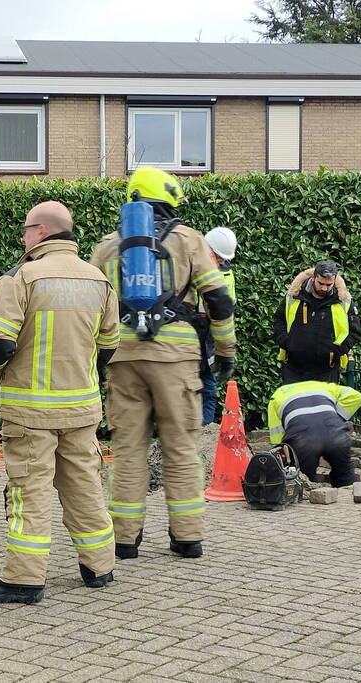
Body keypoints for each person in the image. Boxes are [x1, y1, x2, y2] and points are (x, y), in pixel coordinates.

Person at [0, 201, 120, 605]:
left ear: (40, 231)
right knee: (85, 486)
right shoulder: (98, 280)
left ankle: (23, 580)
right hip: (81, 409)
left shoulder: (23, 277)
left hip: (30, 412)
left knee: (30, 492)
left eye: (26, 230)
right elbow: (109, 346)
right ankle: (100, 567)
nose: (23, 237)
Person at [90, 167, 236, 561]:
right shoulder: (188, 239)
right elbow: (219, 299)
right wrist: (225, 352)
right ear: (169, 197)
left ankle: (124, 540)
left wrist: (98, 356)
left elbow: (93, 305)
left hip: (124, 356)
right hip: (176, 358)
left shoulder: (108, 245)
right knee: (181, 447)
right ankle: (187, 538)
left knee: (128, 449)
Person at [273, 259, 361, 384]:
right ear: (314, 277)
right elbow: (279, 320)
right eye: (321, 283)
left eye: (329, 285)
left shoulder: (343, 301)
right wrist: (286, 342)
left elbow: (355, 331)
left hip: (327, 370)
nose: (324, 288)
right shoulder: (295, 295)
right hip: (294, 369)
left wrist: (337, 351)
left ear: (335, 280)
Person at [267, 381, 361, 487]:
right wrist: (337, 417)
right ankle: (348, 493)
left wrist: (283, 452)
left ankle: (309, 491)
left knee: (304, 478)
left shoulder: (277, 395)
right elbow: (357, 397)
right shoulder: (326, 386)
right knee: (344, 471)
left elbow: (277, 436)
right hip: (336, 435)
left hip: (303, 440)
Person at [197, 227, 237, 425]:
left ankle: (205, 429)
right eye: (219, 257)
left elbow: (229, 310)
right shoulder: (191, 266)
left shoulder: (227, 274)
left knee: (209, 382)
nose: (221, 261)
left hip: (210, 333)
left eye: (224, 258)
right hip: (190, 329)